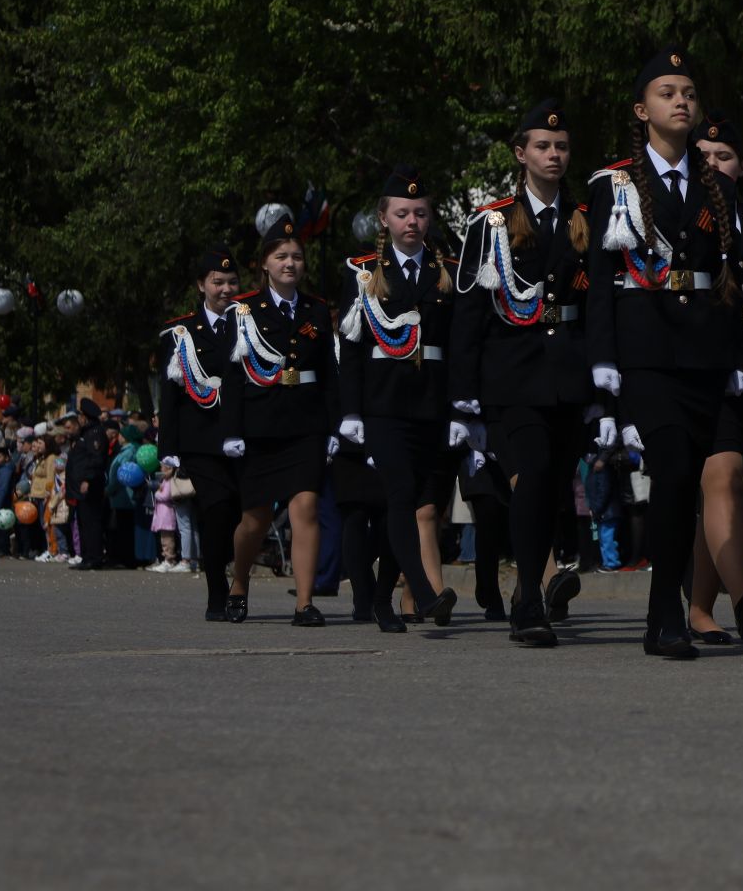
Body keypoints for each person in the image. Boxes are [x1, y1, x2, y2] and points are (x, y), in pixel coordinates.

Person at [586, 47, 743, 659]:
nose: (681, 100)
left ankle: (665, 616)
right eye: (667, 92)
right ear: (641, 109)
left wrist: (735, 355)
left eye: (688, 91)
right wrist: (603, 358)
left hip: (703, 353)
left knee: (685, 487)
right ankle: (667, 613)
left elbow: (727, 281)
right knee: (675, 472)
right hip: (646, 351)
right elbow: (602, 278)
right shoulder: (616, 184)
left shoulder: (715, 187)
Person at [452, 99, 596, 646]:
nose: (553, 155)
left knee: (554, 487)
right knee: (532, 476)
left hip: (567, 376)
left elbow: (596, 305)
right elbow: (469, 313)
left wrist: (603, 387)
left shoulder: (585, 218)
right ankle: (529, 599)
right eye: (542, 146)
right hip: (511, 377)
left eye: (560, 147)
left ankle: (527, 591)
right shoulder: (489, 224)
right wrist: (462, 398)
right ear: (521, 154)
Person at [335, 166, 461, 631]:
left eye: (420, 213)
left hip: (430, 403)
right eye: (402, 213)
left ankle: (383, 597)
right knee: (400, 497)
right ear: (384, 219)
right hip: (383, 404)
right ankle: (425, 595)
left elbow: (458, 345)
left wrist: (461, 407)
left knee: (413, 504)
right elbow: (351, 349)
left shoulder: (447, 270)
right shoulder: (364, 273)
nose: (412, 221)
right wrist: (350, 412)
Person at [684, 107, 743, 644]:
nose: (715, 165)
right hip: (706, 366)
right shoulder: (681, 218)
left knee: (727, 493)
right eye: (704, 157)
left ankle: (699, 608)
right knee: (724, 478)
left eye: (725, 157)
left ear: (741, 168)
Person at [223, 217, 341, 626]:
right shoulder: (244, 310)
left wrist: (334, 427)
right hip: (260, 425)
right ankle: (239, 582)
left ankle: (304, 602)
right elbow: (234, 378)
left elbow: (328, 374)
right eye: (281, 256)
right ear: (265, 265)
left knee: (305, 507)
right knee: (254, 519)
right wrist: (232, 432)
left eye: (296, 256)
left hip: (305, 424)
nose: (290, 263)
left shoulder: (317, 310)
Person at [156, 248, 246, 611]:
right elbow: (170, 394)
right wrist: (170, 446)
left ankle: (228, 575)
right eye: (218, 282)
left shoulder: (249, 322)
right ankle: (216, 593)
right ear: (201, 285)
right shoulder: (180, 332)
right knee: (216, 510)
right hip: (201, 438)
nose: (226, 289)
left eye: (232, 282)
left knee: (240, 514)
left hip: (242, 436)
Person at [62, 398, 112, 570]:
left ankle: (94, 557)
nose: (80, 419)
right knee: (83, 522)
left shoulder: (95, 434)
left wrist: (87, 479)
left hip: (91, 486)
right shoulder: (86, 434)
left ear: (86, 417)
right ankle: (86, 556)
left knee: (92, 523)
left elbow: (95, 460)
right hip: (80, 488)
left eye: (81, 416)